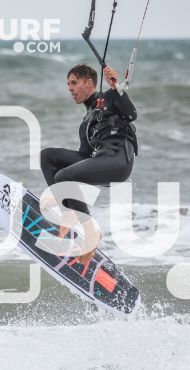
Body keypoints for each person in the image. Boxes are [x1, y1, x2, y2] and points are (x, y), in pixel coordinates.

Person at [40, 63, 138, 265]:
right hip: (102, 161)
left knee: (63, 176)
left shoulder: (111, 97)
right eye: (68, 84)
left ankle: (89, 231)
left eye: (74, 83)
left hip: (119, 161)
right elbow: (84, 160)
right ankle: (67, 212)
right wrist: (60, 193)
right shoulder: (86, 122)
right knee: (47, 156)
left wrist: (115, 86)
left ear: (89, 83)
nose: (70, 88)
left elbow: (131, 114)